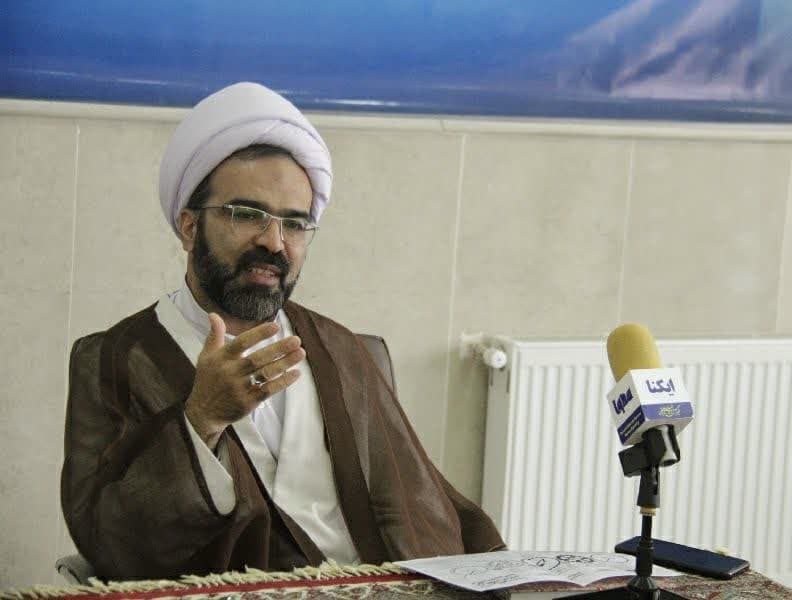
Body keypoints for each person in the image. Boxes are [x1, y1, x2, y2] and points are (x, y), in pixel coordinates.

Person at [61, 82, 503, 580]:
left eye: (294, 224)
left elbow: (422, 501)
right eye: (248, 215)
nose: (274, 242)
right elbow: (108, 544)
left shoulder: (340, 348)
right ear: (189, 227)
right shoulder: (114, 359)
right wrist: (201, 418)